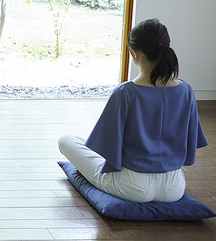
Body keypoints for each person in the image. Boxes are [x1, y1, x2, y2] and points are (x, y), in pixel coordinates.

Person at [58, 18, 208, 203]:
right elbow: (191, 141)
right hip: (174, 187)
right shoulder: (185, 90)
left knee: (66, 140)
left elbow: (107, 145)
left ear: (134, 53)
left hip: (131, 187)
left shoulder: (125, 92)